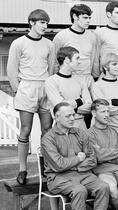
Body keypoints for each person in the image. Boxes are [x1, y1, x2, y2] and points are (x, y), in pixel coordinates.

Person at [41, 102, 112, 210]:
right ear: (56, 117)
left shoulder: (80, 133)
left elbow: (92, 159)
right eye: (68, 116)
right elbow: (58, 165)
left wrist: (76, 167)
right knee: (79, 190)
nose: (72, 118)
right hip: (57, 178)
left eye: (73, 115)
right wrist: (78, 158)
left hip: (82, 174)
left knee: (103, 187)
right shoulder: (48, 138)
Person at [7, 9, 55, 185]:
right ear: (31, 23)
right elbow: (12, 70)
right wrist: (18, 89)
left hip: (44, 87)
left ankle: (46, 167)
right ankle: (22, 169)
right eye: (42, 22)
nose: (45, 26)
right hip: (26, 87)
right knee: (25, 130)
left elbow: (51, 69)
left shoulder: (49, 44)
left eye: (46, 23)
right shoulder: (18, 43)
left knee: (47, 130)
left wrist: (48, 87)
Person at [52, 4, 97, 92]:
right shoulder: (61, 36)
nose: (88, 21)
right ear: (75, 16)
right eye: (85, 18)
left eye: (89, 18)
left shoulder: (92, 36)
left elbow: (93, 59)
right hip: (68, 79)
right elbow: (55, 62)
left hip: (87, 79)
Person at [45, 46, 92, 130]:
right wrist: (80, 101)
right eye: (77, 58)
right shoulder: (51, 81)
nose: (79, 62)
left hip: (81, 127)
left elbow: (89, 106)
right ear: (67, 60)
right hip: (62, 129)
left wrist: (70, 107)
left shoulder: (81, 80)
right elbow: (60, 107)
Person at [92, 52, 118, 128]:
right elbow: (102, 108)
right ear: (105, 67)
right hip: (106, 127)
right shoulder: (97, 85)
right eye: (114, 64)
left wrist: (114, 101)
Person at [93, 1, 118, 80]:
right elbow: (95, 56)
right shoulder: (99, 32)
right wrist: (96, 76)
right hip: (107, 75)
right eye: (117, 13)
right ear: (109, 14)